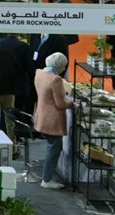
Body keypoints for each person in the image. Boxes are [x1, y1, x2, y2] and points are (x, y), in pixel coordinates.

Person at [34, 52, 74, 189]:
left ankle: (48, 174)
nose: (64, 68)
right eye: (63, 66)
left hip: (41, 116)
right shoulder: (55, 79)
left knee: (52, 146)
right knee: (54, 148)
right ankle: (47, 179)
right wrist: (73, 104)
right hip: (52, 120)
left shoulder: (39, 73)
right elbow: (61, 104)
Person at [0, 33, 34, 114]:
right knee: (18, 111)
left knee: (5, 111)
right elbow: (30, 68)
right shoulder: (24, 46)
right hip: (19, 86)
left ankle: (4, 122)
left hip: (2, 85)